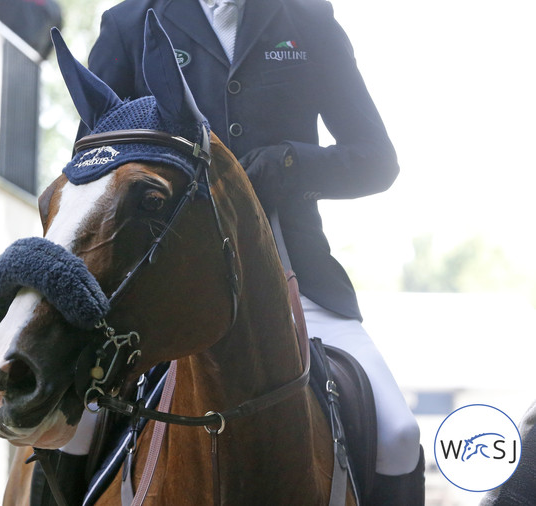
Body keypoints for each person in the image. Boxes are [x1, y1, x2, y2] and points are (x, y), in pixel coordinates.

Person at [76, 0, 424, 503]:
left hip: (296, 281)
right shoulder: (129, 22)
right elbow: (94, 164)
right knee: (72, 428)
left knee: (398, 434)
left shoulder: (307, 21)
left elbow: (376, 160)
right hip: (158, 294)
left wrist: (285, 163)